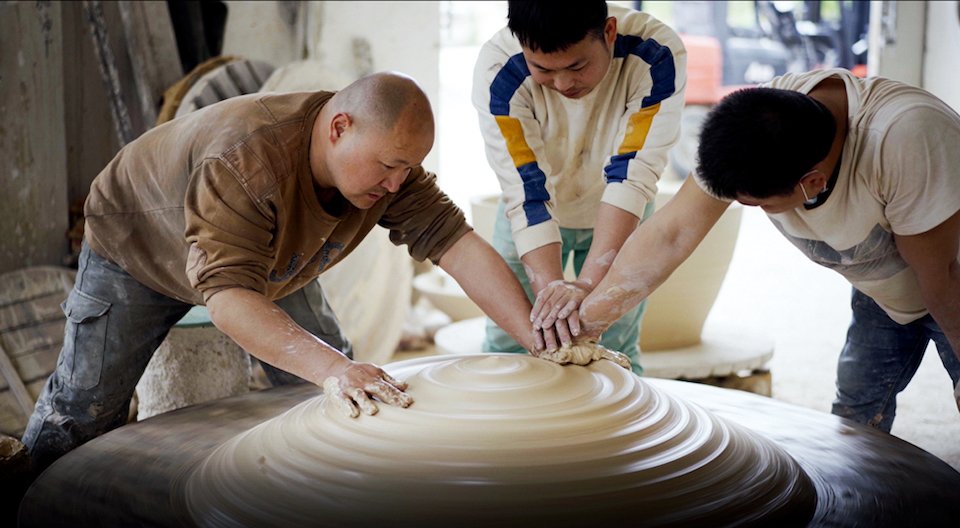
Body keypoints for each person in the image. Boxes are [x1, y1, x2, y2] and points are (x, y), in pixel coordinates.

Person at [21, 72, 538, 473]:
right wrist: (335, 369)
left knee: (342, 397)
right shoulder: (247, 162)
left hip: (262, 254)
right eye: (389, 167)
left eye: (409, 168)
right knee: (83, 410)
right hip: (139, 243)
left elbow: (455, 242)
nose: (397, 183)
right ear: (339, 129)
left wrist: (536, 337)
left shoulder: (385, 167)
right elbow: (228, 298)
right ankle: (24, 499)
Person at [534, 67, 960, 432]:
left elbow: (943, 277)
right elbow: (672, 232)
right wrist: (588, 321)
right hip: (882, 288)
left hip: (950, 282)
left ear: (812, 183)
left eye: (759, 205)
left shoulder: (903, 142)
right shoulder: (756, 126)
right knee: (856, 408)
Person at [472, 0, 686, 373]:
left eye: (577, 65)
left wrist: (590, 284)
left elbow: (632, 174)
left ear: (608, 32)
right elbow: (525, 190)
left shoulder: (656, 54)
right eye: (542, 69)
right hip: (531, 211)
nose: (564, 83)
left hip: (622, 207)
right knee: (513, 341)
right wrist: (551, 294)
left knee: (611, 341)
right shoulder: (498, 69)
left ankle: (623, 423)